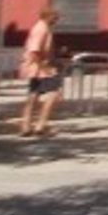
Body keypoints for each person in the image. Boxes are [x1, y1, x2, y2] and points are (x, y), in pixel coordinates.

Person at [17, 8, 63, 137]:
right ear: (48, 16)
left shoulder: (42, 28)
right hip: (39, 67)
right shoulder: (41, 29)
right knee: (54, 93)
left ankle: (26, 125)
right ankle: (40, 125)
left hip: (36, 67)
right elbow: (34, 51)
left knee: (34, 94)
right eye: (55, 17)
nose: (57, 20)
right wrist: (44, 67)